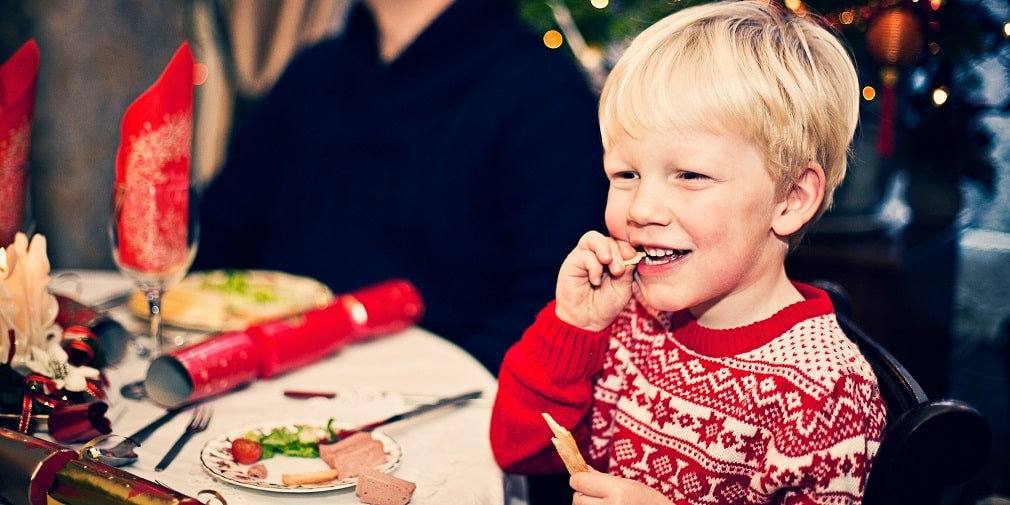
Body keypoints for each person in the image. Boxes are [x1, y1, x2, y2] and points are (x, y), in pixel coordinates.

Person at [489, 1, 887, 503]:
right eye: (626, 175)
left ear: (790, 199)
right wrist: (575, 327)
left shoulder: (823, 393)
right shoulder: (631, 318)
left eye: (691, 175)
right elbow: (516, 452)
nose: (642, 208)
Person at [193, 0, 607, 374]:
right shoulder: (313, 71)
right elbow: (219, 230)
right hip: (256, 373)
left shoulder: (542, 93)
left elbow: (550, 302)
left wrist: (423, 392)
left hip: (427, 406)